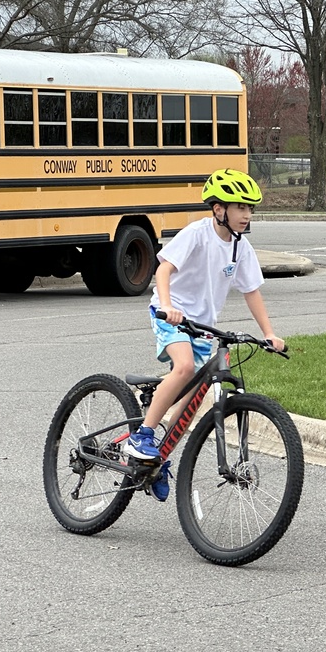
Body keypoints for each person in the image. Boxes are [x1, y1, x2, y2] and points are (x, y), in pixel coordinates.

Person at [125, 168, 286, 501]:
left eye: (250, 208)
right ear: (218, 209)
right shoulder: (197, 234)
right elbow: (164, 268)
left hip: (201, 328)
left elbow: (252, 291)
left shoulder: (240, 248)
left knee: (188, 406)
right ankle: (141, 436)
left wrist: (269, 334)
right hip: (172, 315)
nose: (246, 214)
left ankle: (158, 459)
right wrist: (167, 305)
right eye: (239, 207)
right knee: (183, 368)